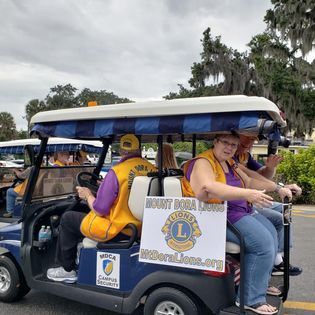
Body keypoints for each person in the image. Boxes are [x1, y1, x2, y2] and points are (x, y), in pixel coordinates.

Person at [181, 133, 293, 315]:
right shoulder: (203, 162)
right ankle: (250, 299)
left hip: (237, 211)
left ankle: (258, 286)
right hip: (216, 216)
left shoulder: (230, 162)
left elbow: (249, 181)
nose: (229, 148)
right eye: (225, 143)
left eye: (234, 145)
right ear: (215, 142)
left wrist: (279, 188)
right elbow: (208, 187)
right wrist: (246, 194)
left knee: (271, 233)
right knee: (262, 244)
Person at [47, 134, 156, 283]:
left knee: (67, 218)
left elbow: (99, 210)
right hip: (140, 227)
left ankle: (67, 269)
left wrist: (87, 195)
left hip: (118, 229)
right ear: (139, 149)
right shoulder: (151, 168)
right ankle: (79, 254)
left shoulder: (117, 172)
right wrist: (103, 186)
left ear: (122, 151)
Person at [235, 134, 302, 276]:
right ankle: (277, 261)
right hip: (240, 203)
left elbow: (261, 175)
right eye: (246, 137)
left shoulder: (244, 155)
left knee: (284, 209)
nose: (250, 142)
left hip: (248, 200)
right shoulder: (229, 157)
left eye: (253, 139)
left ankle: (280, 256)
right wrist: (279, 187)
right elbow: (251, 178)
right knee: (278, 218)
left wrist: (271, 168)